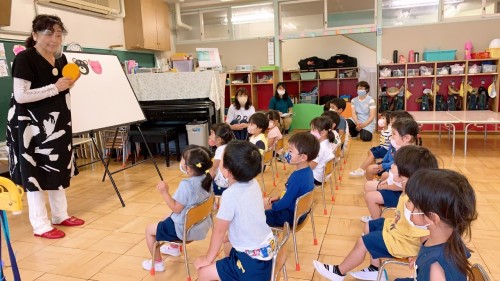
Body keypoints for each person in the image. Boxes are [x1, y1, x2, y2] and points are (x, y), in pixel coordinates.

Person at [6, 14, 84, 239]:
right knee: (35, 172)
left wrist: (68, 84)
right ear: (35, 35)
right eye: (48, 33)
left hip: (56, 123)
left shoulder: (61, 58)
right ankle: (40, 225)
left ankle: (60, 215)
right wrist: (56, 87)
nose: (54, 38)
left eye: (58, 33)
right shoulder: (25, 59)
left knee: (56, 167)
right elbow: (21, 96)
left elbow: (62, 88)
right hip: (30, 126)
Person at [313, 145, 438, 281]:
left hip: (404, 243)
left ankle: (339, 272)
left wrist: (419, 256)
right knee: (369, 226)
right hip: (399, 231)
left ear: (407, 175)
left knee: (363, 242)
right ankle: (374, 269)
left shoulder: (415, 204)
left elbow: (426, 235)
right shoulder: (407, 189)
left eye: (395, 165)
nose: (391, 167)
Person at [195, 141, 276, 281]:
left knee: (203, 272)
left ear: (226, 171)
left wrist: (208, 258)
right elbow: (247, 215)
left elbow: (219, 231)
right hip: (267, 248)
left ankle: (233, 272)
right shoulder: (254, 183)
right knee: (227, 243)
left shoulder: (229, 195)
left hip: (252, 263)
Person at [397, 169, 477, 281]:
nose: (407, 204)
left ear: (432, 217)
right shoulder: (448, 238)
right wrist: (421, 259)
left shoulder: (435, 267)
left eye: (412, 201)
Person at [142, 145, 213, 272]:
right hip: (199, 227)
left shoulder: (186, 185)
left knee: (149, 230)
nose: (181, 161)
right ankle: (174, 249)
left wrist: (164, 192)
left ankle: (157, 263)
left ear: (189, 169)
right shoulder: (207, 179)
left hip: (183, 231)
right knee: (166, 217)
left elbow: (176, 208)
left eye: (183, 160)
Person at [263, 132, 319, 227]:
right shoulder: (307, 171)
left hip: (290, 216)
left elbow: (285, 202)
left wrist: (271, 206)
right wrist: (277, 197)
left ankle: (268, 238)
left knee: (256, 214)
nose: (286, 153)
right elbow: (291, 193)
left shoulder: (298, 178)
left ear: (303, 157)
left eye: (290, 151)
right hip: (299, 213)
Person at [364, 117, 419, 182]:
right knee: (369, 169)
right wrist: (382, 163)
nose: (391, 136)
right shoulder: (394, 143)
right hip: (386, 165)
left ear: (406, 138)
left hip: (396, 171)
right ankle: (372, 184)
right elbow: (388, 153)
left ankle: (380, 187)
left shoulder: (409, 151)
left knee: (385, 175)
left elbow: (397, 163)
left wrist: (384, 166)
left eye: (394, 134)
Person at [349, 110, 392, 177]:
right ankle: (372, 168)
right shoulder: (384, 129)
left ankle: (361, 170)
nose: (381, 119)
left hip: (386, 150)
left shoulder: (390, 130)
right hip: (382, 147)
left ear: (390, 120)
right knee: (370, 151)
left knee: (372, 154)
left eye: (384, 118)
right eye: (381, 117)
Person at [309, 117, 336, 186]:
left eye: (313, 129)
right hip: (322, 176)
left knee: (294, 177)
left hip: (315, 177)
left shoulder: (320, 147)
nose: (311, 132)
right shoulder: (327, 142)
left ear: (323, 132)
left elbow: (311, 166)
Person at [208, 123, 234, 196]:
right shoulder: (229, 146)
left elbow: (214, 169)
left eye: (211, 134)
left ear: (219, 139)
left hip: (221, 185)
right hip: (230, 183)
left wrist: (206, 181)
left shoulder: (220, 149)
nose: (209, 136)